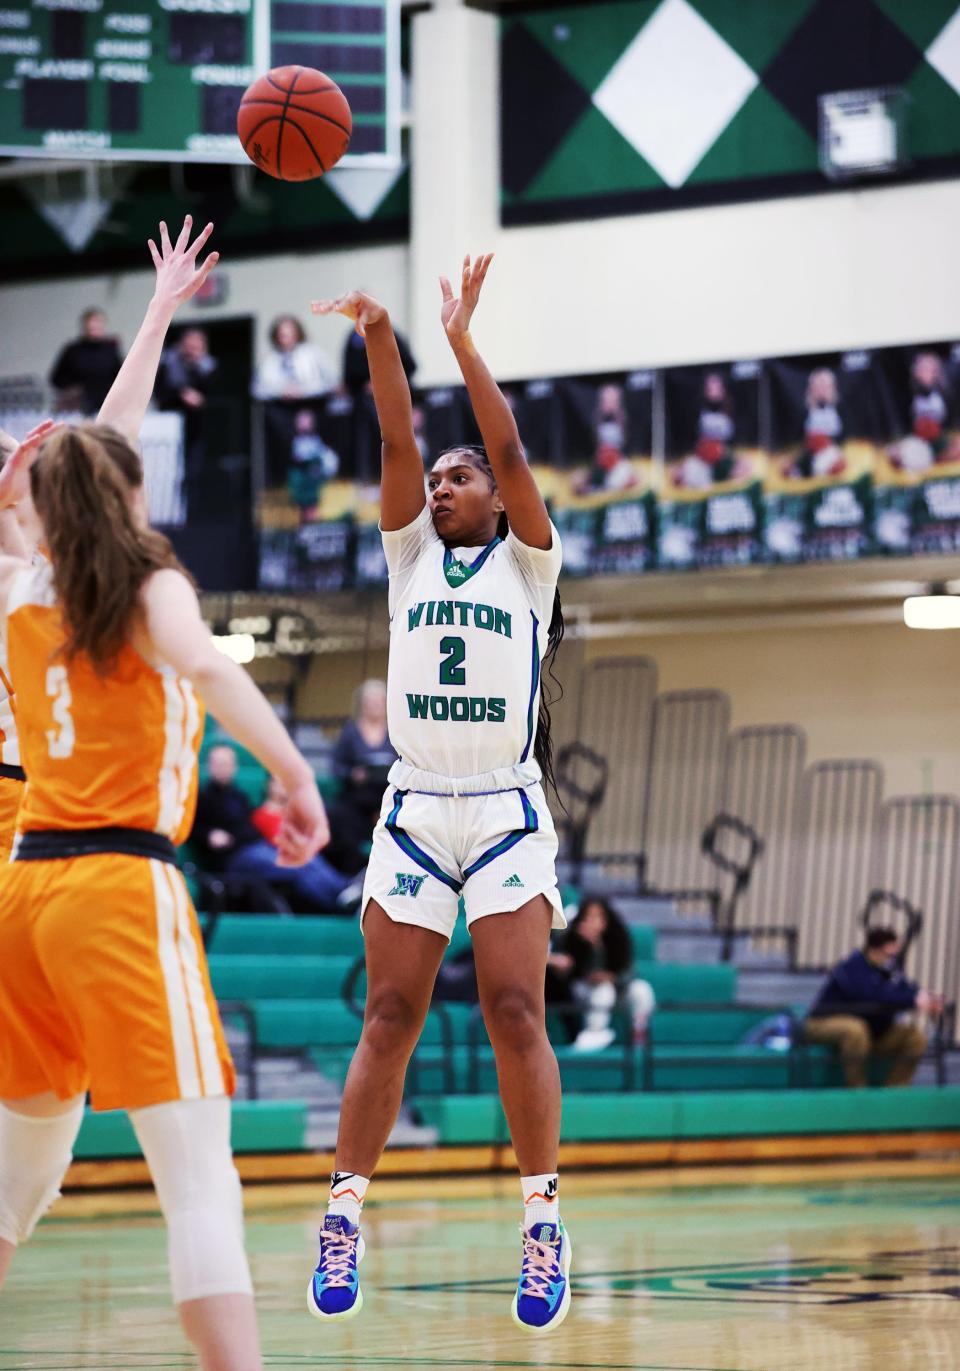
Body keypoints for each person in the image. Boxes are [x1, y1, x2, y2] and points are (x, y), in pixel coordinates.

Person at [0, 215, 329, 1371]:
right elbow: (205, 662)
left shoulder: (27, 590)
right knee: (198, 1178)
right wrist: (295, 776)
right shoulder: (133, 586)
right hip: (109, 882)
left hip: (25, 897)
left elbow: (101, 452)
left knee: (17, 1187)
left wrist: (151, 320)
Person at [308, 254, 570, 1333]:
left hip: (504, 806)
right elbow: (397, 437)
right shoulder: (408, 555)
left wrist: (461, 339)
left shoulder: (532, 565)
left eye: (464, 478)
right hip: (415, 809)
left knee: (515, 1007)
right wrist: (378, 330)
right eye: (444, 479)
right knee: (390, 1015)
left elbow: (503, 443)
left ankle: (543, 1224)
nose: (447, 484)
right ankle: (342, 1211)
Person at [193, 743, 352, 913]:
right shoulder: (203, 798)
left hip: (258, 848)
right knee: (297, 866)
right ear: (210, 766)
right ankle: (340, 904)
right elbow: (192, 828)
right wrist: (209, 834)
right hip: (237, 858)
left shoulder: (239, 796)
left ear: (234, 766)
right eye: (219, 763)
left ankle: (344, 890)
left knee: (306, 859)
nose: (223, 768)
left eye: (227, 763)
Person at [803, 926, 943, 1087]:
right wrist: (912, 1000)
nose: (893, 958)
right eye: (889, 954)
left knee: (915, 1038)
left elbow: (907, 991)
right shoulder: (852, 967)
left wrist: (927, 998)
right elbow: (870, 995)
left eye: (895, 954)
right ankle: (858, 1091)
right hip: (822, 1023)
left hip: (871, 1030)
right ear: (874, 950)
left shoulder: (889, 972)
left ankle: (894, 1092)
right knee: (855, 1030)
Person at [546, 897, 655, 1051]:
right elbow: (568, 974)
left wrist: (610, 974)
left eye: (598, 916)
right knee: (604, 991)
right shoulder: (571, 937)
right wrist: (589, 948)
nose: (593, 922)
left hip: (617, 990)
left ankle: (638, 1036)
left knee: (642, 990)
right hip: (582, 990)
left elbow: (627, 971)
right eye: (589, 917)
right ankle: (594, 1033)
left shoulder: (617, 936)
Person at [325, 679, 397, 876]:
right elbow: (336, 767)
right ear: (361, 704)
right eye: (369, 702)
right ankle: (353, 877)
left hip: (387, 797)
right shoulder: (350, 732)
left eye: (378, 702)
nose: (373, 707)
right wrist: (353, 774)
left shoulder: (397, 732)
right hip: (356, 799)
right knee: (340, 818)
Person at [155, 326, 219, 509]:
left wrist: (197, 367)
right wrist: (181, 395)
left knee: (194, 471)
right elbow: (160, 393)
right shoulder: (168, 364)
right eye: (189, 345)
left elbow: (214, 394)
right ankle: (169, 509)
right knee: (168, 470)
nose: (192, 350)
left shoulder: (209, 366)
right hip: (170, 426)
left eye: (197, 345)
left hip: (198, 427)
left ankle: (191, 510)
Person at [49, 308, 123, 415]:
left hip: (107, 403)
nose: (94, 327)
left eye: (98, 323)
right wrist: (72, 390)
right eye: (91, 323)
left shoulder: (111, 349)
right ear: (84, 326)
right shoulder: (73, 350)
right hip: (78, 407)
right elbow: (56, 379)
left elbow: (119, 376)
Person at [253, 315, 337, 403]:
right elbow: (257, 390)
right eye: (283, 336)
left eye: (291, 334)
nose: (287, 340)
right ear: (276, 337)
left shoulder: (314, 355)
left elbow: (332, 383)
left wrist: (303, 391)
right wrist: (281, 392)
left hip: (312, 405)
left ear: (298, 334)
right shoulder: (268, 361)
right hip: (280, 408)